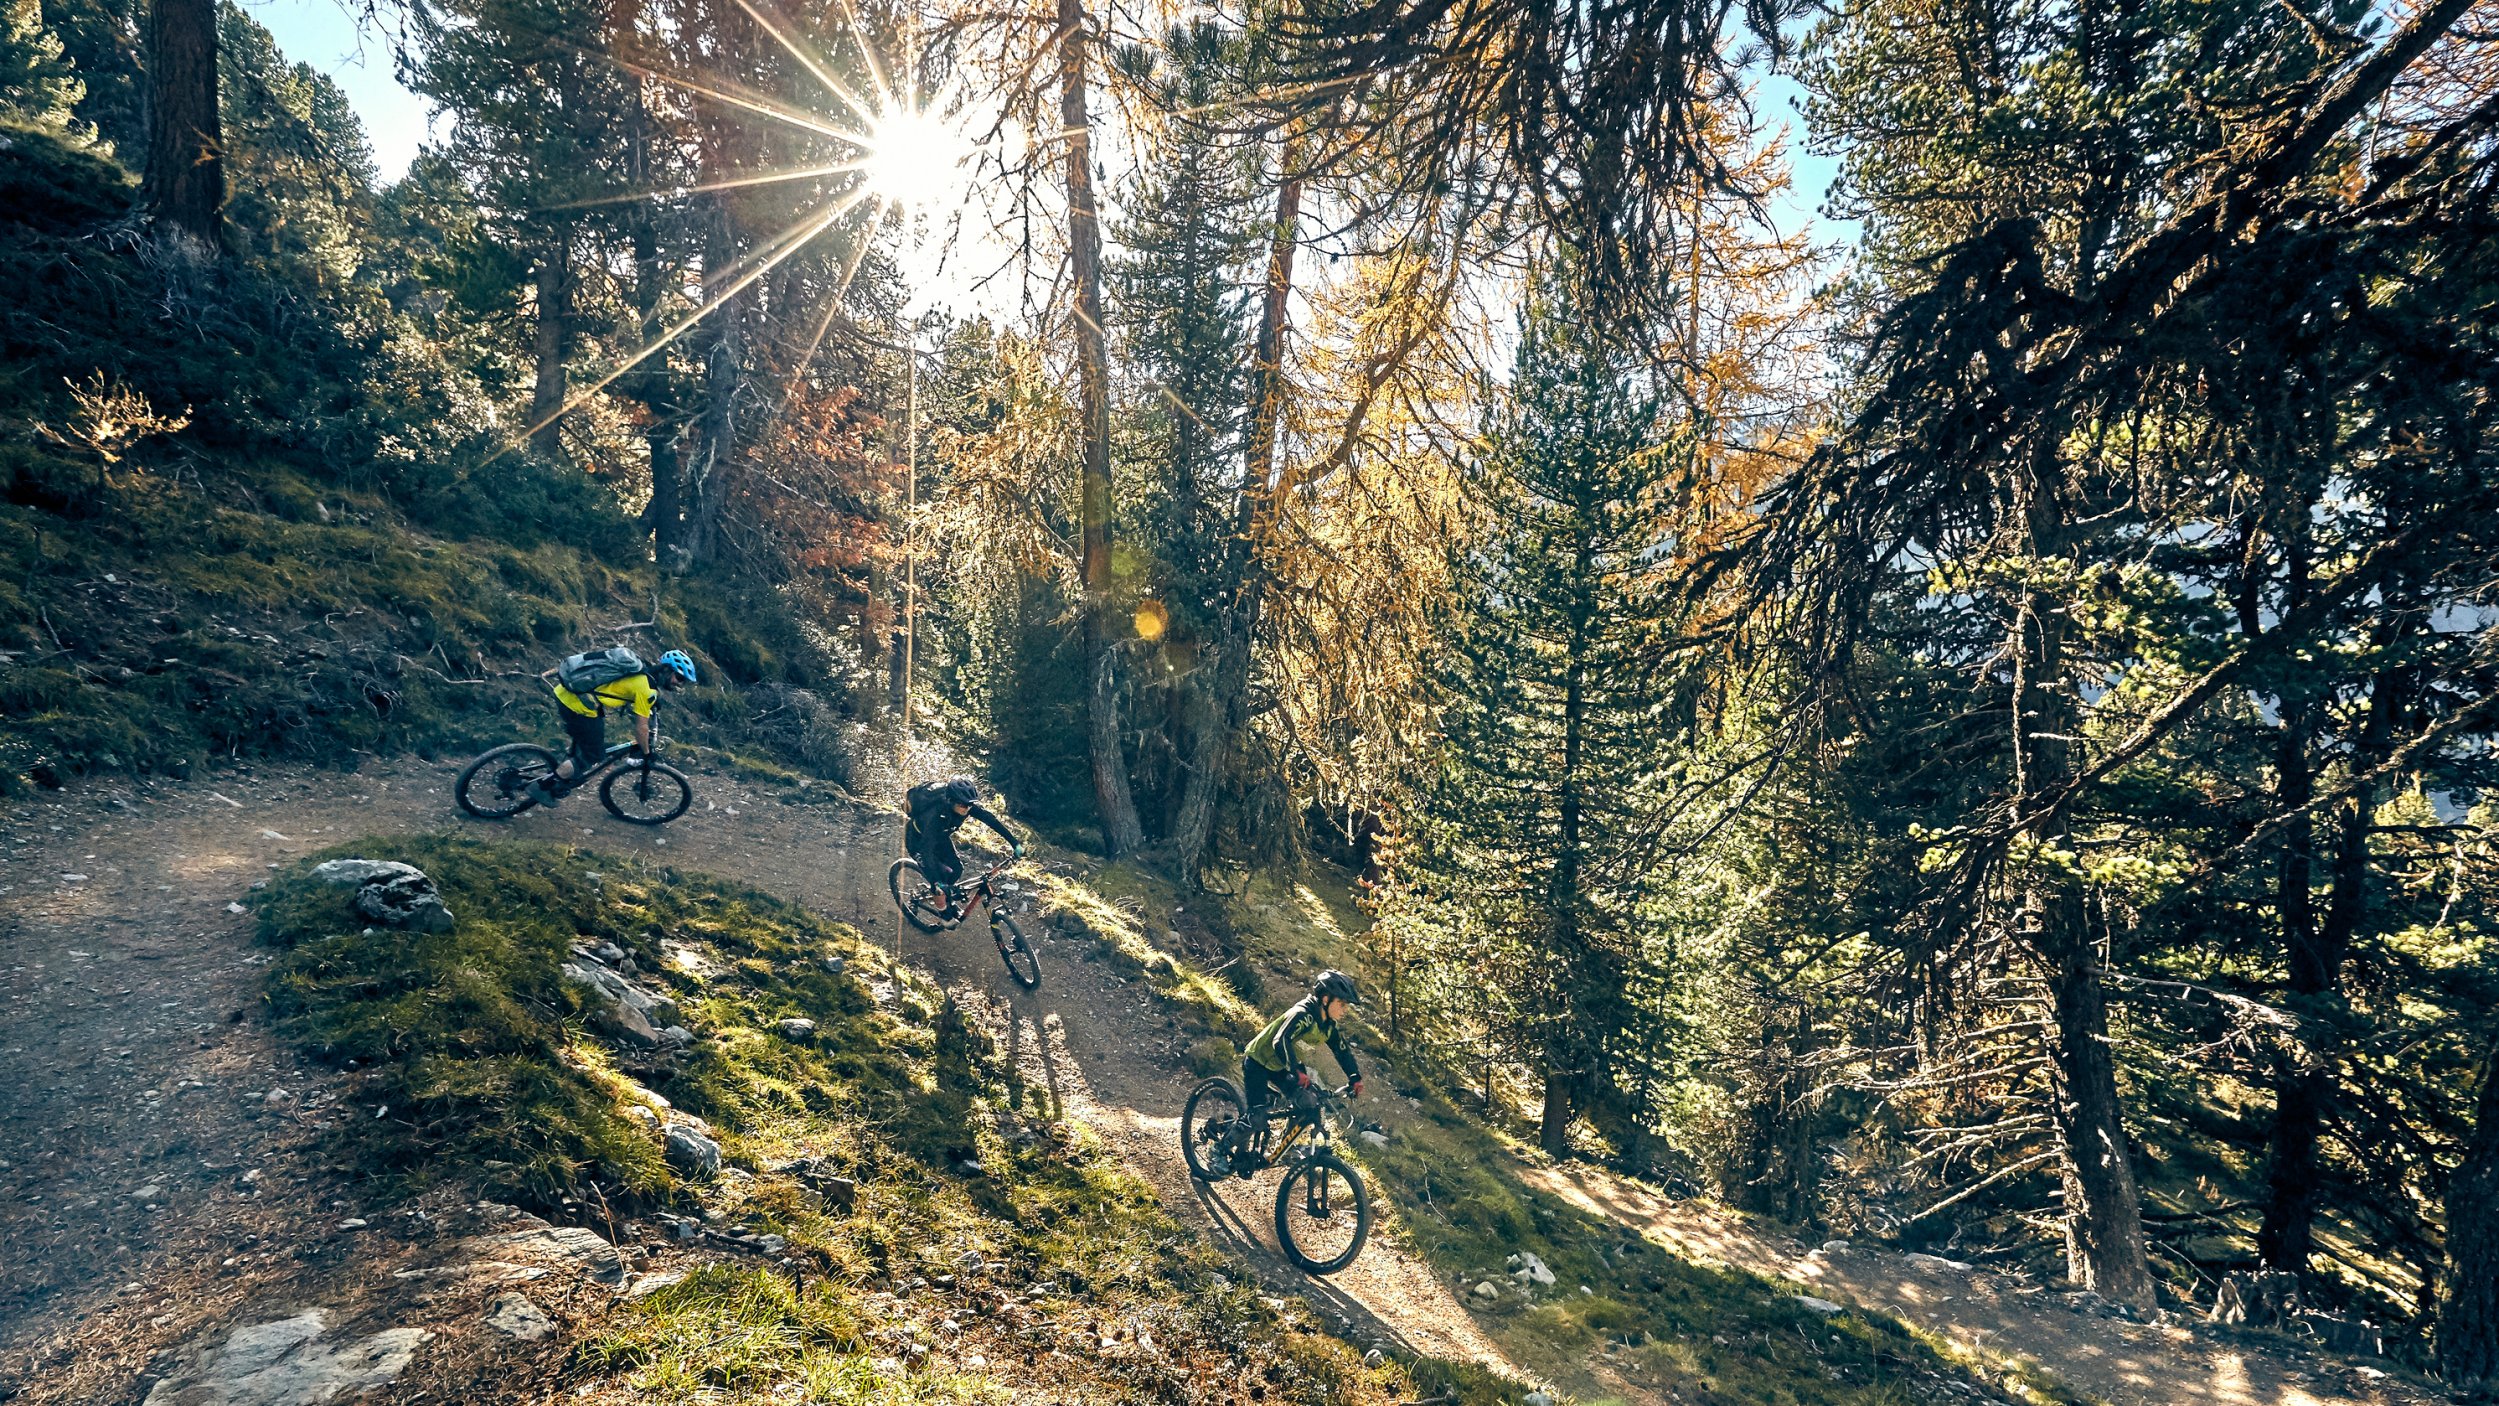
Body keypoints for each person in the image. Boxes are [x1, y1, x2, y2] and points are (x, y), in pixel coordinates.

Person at [1227, 969, 1364, 1174]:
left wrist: (1354, 1077)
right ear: (1325, 999)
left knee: (1308, 1102)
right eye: (1342, 1004)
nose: (1345, 1010)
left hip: (1282, 1066)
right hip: (1258, 1061)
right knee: (1257, 1117)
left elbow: (1341, 1051)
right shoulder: (1302, 1014)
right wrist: (1295, 1071)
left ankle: (1285, 1147)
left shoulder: (1327, 1026)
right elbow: (1280, 1041)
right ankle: (1219, 1150)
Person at [528, 647, 698, 808]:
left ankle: (568, 764)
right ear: (666, 670)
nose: (679, 684)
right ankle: (543, 786)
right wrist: (646, 752)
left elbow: (629, 689)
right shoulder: (647, 689)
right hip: (577, 705)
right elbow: (641, 728)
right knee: (592, 754)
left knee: (588, 740)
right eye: (679, 678)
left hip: (568, 694)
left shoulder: (641, 670)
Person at [904, 775, 1022, 913]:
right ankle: (941, 910)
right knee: (937, 880)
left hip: (940, 838)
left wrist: (1014, 843)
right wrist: (937, 883)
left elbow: (991, 820)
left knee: (957, 869)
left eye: (970, 804)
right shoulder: (935, 816)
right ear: (951, 801)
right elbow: (926, 850)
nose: (967, 808)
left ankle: (946, 897)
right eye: (963, 805)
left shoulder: (966, 806)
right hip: (918, 842)